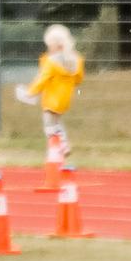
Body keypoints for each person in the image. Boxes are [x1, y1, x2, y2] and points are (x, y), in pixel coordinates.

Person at [32, 15, 85, 171]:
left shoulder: (51, 61)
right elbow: (78, 79)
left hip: (51, 99)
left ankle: (56, 150)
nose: (48, 48)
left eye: (50, 45)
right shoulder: (74, 59)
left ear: (56, 45)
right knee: (57, 123)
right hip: (64, 99)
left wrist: (31, 92)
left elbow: (42, 78)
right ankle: (63, 145)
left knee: (49, 126)